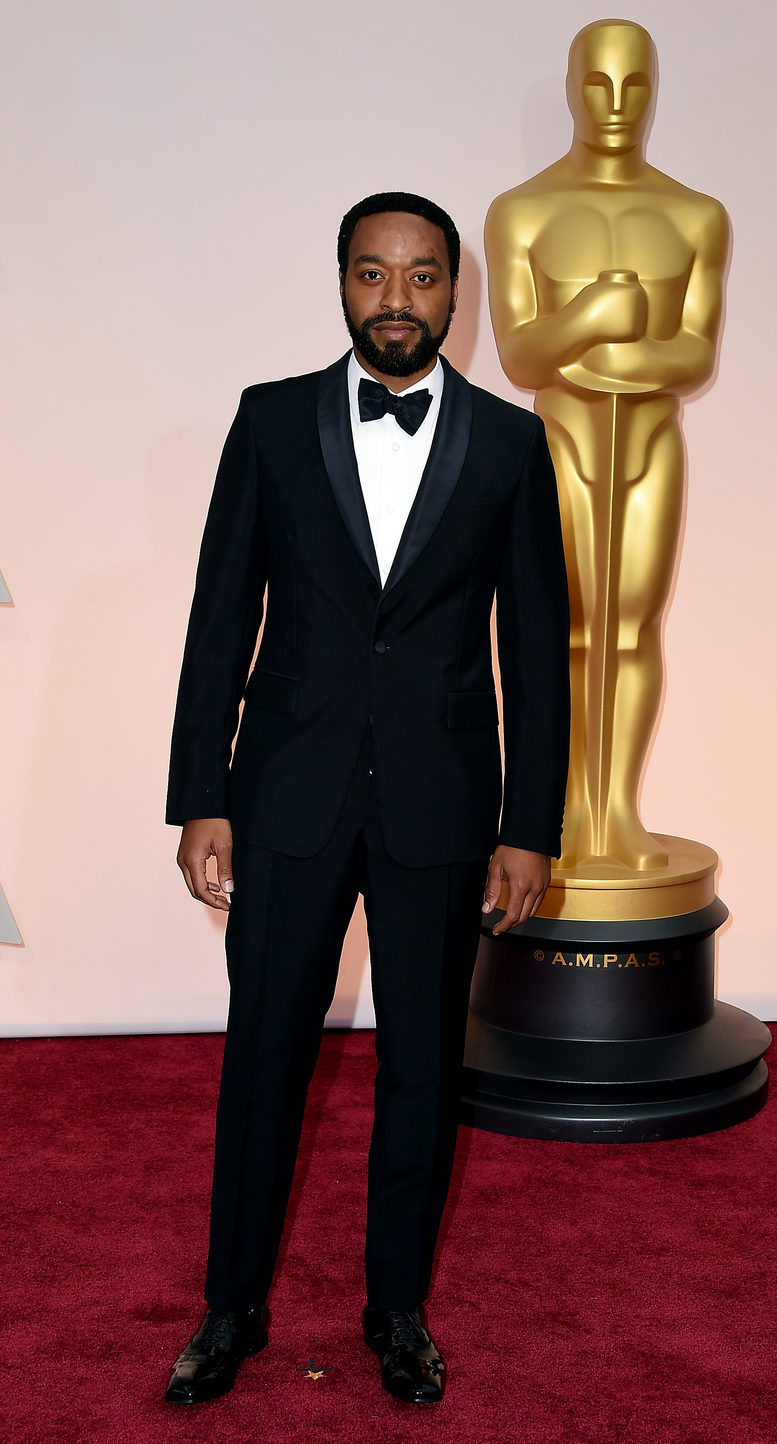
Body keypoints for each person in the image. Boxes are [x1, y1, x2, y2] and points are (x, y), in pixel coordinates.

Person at [163, 192, 570, 1406]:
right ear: (341, 282)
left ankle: (396, 1309)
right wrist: (200, 792)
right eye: (374, 274)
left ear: (460, 291)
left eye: (425, 276)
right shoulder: (271, 422)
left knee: (421, 1068)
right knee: (263, 1058)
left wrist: (528, 825)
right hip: (286, 792)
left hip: (445, 806)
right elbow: (220, 617)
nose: (399, 299)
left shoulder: (509, 443)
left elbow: (537, 651)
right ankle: (228, 1309)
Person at [485, 20, 729, 877]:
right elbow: (520, 354)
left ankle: (615, 807)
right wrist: (591, 317)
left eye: (635, 85)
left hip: (652, 441)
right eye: (598, 84)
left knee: (632, 628)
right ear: (570, 87)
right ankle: (556, 810)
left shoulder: (695, 215)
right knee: (557, 629)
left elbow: (696, 350)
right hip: (558, 440)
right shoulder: (523, 211)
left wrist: (609, 352)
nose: (617, 104)